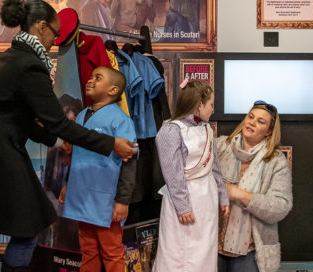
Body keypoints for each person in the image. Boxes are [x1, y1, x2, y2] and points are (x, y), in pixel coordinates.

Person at [0, 1, 138, 271]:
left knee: (27, 226)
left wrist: (56, 140)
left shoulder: (12, 57)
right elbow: (58, 123)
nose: (55, 41)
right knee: (28, 227)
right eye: (54, 34)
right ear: (41, 27)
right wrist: (110, 144)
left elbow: (21, 117)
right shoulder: (30, 65)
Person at [59, 66, 137, 272]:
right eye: (91, 76)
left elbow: (130, 164)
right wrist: (68, 183)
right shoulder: (83, 114)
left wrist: (122, 200)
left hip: (106, 202)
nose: (91, 80)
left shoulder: (121, 120)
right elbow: (75, 155)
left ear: (113, 90)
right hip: (82, 198)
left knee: (112, 254)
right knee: (88, 251)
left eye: (98, 77)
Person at [152, 81, 229, 272]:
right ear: (199, 105)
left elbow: (215, 167)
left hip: (207, 197)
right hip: (185, 196)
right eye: (210, 104)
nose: (212, 109)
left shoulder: (207, 129)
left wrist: (223, 196)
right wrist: (182, 205)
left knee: (205, 248)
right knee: (179, 250)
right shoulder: (171, 130)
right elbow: (172, 172)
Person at [216, 100, 292, 272]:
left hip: (250, 253)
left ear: (269, 131)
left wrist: (239, 194)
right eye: (251, 117)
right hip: (212, 246)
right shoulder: (221, 146)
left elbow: (281, 206)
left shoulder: (275, 160)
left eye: (260, 121)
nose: (252, 122)